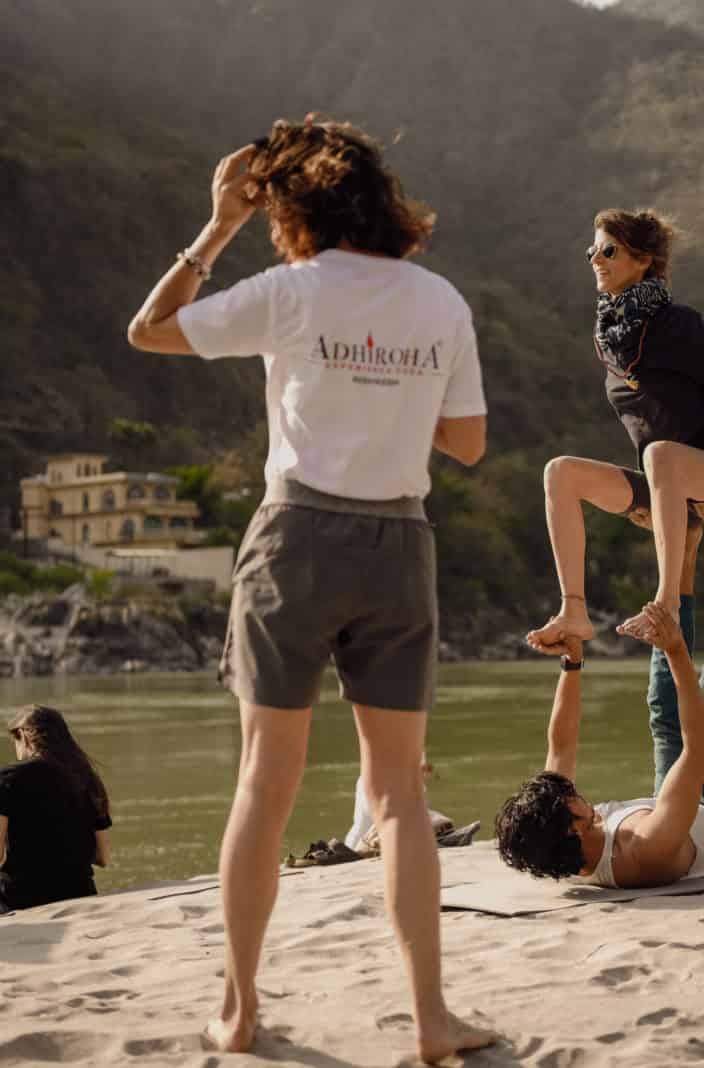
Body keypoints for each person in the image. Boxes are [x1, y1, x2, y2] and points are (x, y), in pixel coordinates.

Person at [127, 116, 494, 1063]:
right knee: (402, 797)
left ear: (287, 209)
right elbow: (466, 443)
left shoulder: (289, 291)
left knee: (265, 782)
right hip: (397, 544)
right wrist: (392, 399)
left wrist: (214, 228)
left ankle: (241, 1012)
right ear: (383, 200)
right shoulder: (440, 299)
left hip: (295, 537)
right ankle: (429, 1021)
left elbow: (151, 330)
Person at [527, 208, 704, 648]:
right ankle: (574, 611)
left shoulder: (679, 323)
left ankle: (665, 606)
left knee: (660, 453)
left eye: (608, 251)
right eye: (592, 252)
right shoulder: (608, 334)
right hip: (664, 486)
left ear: (643, 260)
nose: (595, 260)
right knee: (559, 472)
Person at [498, 508, 704, 888]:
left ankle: (686, 550)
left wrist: (572, 662)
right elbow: (697, 746)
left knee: (662, 708)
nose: (573, 791)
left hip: (675, 810)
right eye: (570, 800)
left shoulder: (560, 837)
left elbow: (560, 744)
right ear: (573, 830)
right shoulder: (645, 852)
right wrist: (676, 651)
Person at [0, 705, 112, 912]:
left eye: (15, 741)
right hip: (80, 895)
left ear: (24, 737)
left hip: (21, 901)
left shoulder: (7, 778)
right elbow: (103, 857)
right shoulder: (87, 778)